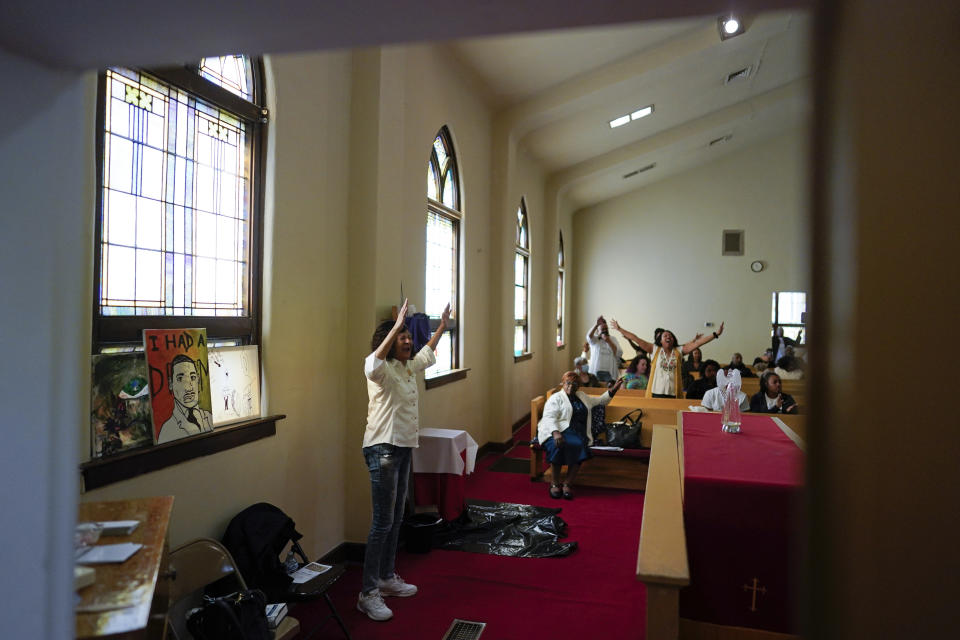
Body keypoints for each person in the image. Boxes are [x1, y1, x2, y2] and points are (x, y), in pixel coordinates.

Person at [358, 298, 449, 622]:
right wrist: (395, 325)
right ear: (389, 342)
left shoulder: (408, 367)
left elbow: (427, 353)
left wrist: (440, 327)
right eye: (402, 337)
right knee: (382, 522)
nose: (409, 341)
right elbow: (371, 362)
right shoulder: (381, 370)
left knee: (396, 518)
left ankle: (385, 578)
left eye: (409, 336)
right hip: (382, 449)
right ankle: (367, 593)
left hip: (403, 447)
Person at [537, 371, 622, 500]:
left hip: (578, 432)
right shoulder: (556, 398)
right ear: (563, 383)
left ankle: (567, 483)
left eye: (574, 384)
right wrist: (555, 432)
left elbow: (601, 401)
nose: (571, 387)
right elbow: (549, 417)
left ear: (579, 386)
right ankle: (554, 483)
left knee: (580, 445)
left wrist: (614, 389)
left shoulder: (582, 396)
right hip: (557, 430)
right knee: (558, 446)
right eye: (568, 383)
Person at [609, 319, 725, 398]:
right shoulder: (654, 349)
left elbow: (697, 344)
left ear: (673, 339)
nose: (668, 336)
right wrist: (619, 329)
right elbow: (636, 338)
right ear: (660, 340)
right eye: (665, 335)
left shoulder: (679, 351)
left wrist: (715, 334)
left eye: (670, 335)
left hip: (673, 393)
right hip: (656, 393)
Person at [157, 354, 214, 444]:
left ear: (198, 380)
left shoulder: (209, 417)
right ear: (171, 384)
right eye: (180, 379)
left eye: (193, 377)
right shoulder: (167, 430)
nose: (189, 388)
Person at [585, 316, 622, 382]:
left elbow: (619, 353)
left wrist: (609, 341)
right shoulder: (595, 339)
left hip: (610, 372)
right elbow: (588, 337)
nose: (605, 331)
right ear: (598, 331)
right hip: (596, 371)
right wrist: (596, 325)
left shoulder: (613, 339)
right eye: (603, 329)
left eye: (606, 329)